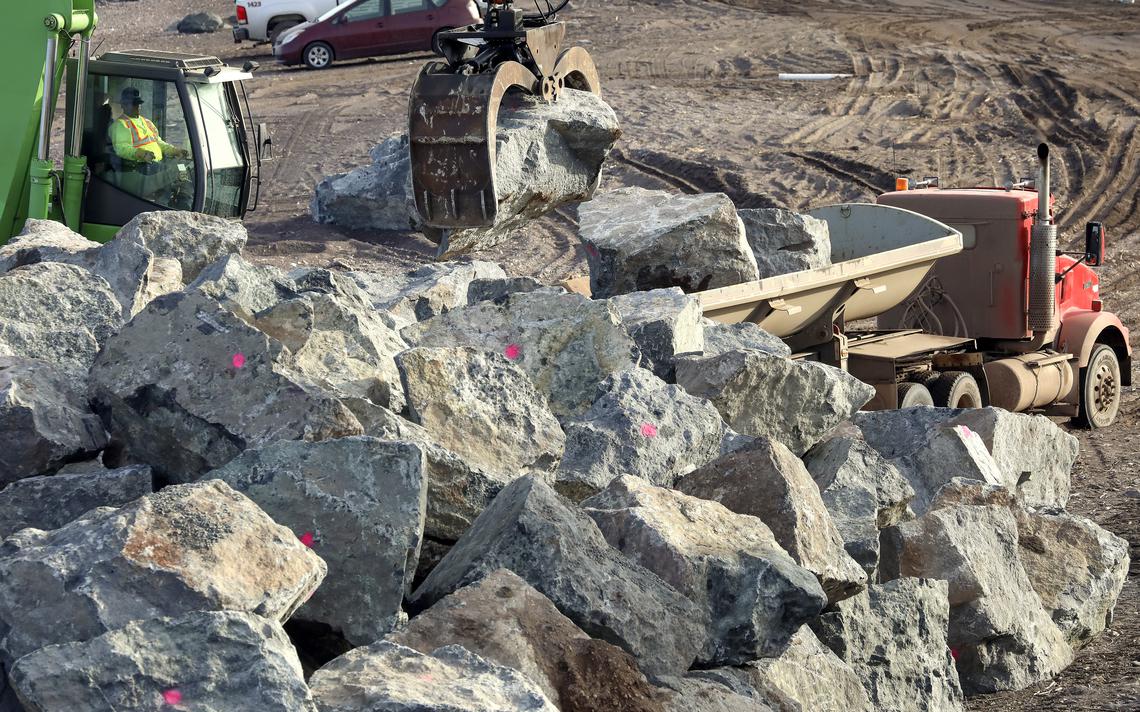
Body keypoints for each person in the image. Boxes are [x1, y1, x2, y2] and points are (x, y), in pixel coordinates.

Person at [107, 87, 190, 204]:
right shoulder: (119, 125)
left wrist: (175, 151)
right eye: (134, 104)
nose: (138, 107)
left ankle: (184, 198)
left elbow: (159, 142)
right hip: (141, 167)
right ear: (124, 105)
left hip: (157, 163)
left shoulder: (147, 122)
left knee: (183, 168)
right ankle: (165, 204)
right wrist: (141, 153)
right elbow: (121, 148)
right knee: (172, 173)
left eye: (139, 104)